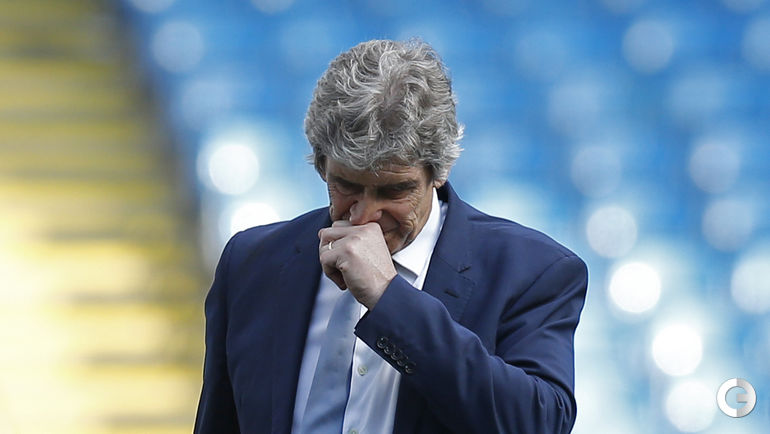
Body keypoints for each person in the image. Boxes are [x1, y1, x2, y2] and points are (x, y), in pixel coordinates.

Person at [194, 39, 588, 434]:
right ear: (320, 166)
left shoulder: (532, 271)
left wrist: (390, 299)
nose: (366, 215)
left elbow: (538, 423)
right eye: (347, 186)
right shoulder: (251, 262)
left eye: (394, 191)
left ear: (439, 171)